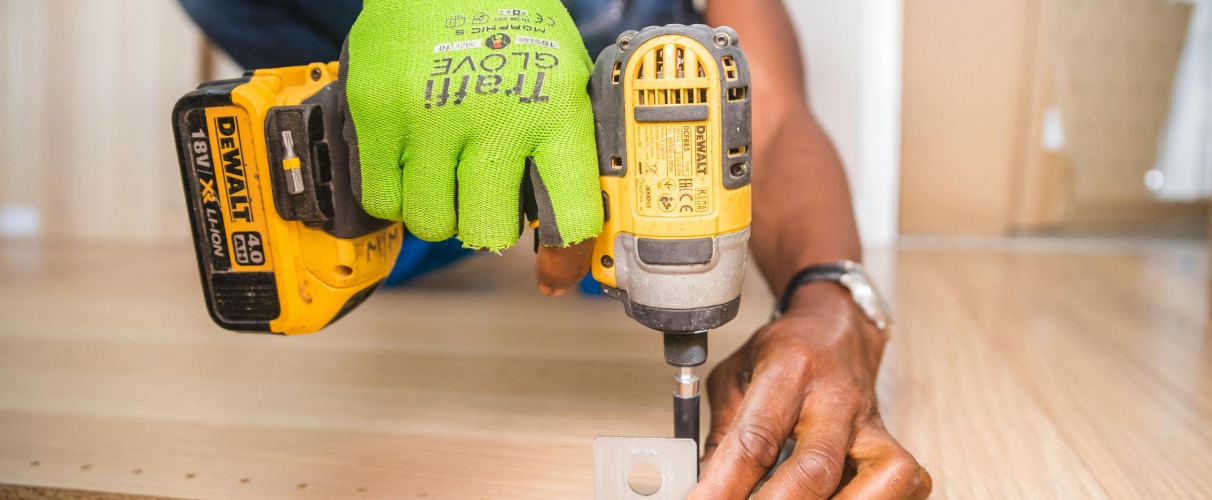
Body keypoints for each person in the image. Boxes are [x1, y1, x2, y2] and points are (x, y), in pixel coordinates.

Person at [179, 0, 931, 497]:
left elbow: (765, 110)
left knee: (600, 264)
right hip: (390, 177)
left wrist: (833, 299)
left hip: (611, 187)